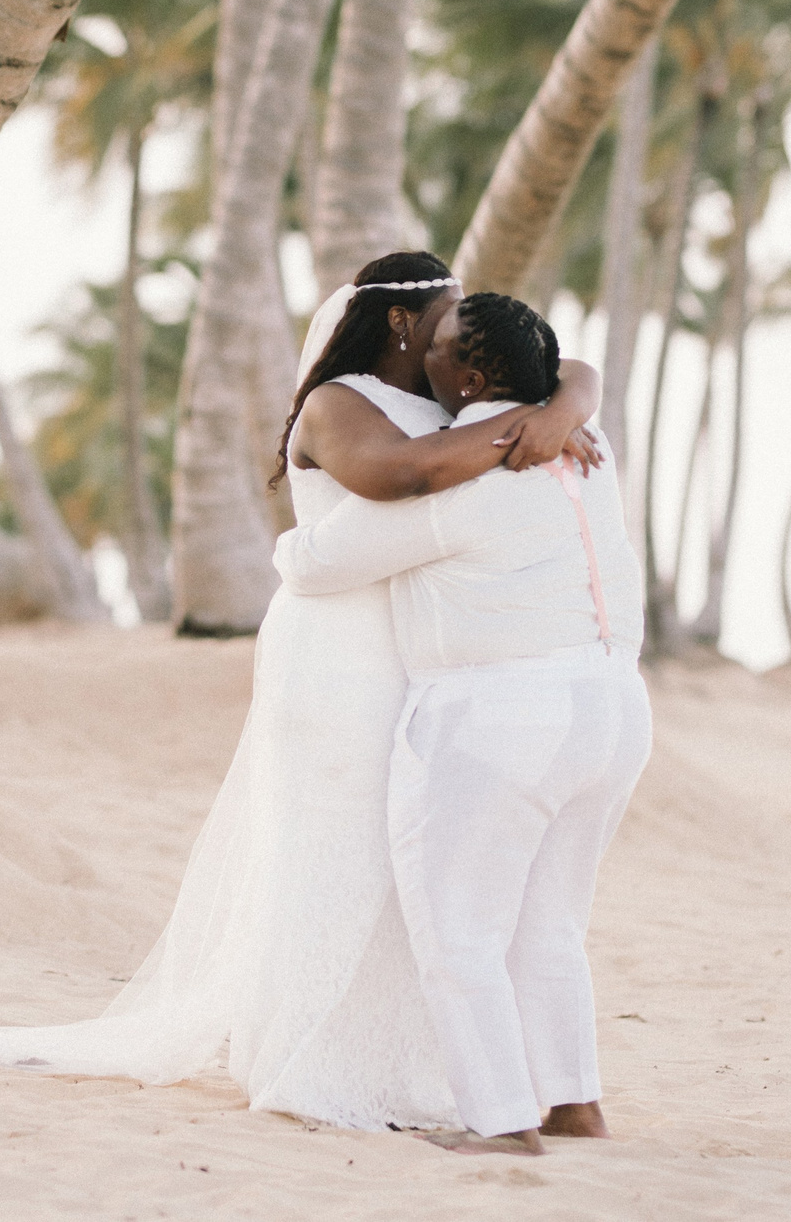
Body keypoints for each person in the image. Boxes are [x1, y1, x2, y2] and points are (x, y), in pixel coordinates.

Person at [0, 253, 604, 1131]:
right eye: (444, 318)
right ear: (400, 321)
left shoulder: (453, 399)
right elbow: (398, 476)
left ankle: (399, 1065)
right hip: (334, 653)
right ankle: (310, 1063)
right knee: (331, 844)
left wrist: (560, 408)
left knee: (396, 867)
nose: (457, 333)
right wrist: (537, 426)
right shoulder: (341, 402)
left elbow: (571, 369)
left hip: (409, 656)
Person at [274, 292, 650, 1156]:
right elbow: (579, 379)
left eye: (437, 352)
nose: (421, 365)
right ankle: (574, 1103)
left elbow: (319, 563)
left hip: (499, 716)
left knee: (456, 931)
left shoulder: (456, 484)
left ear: (471, 377)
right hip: (615, 706)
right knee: (550, 924)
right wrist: (561, 405)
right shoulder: (593, 450)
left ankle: (502, 1121)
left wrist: (290, 545)